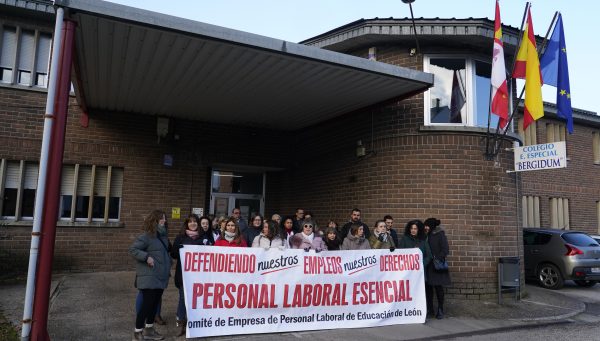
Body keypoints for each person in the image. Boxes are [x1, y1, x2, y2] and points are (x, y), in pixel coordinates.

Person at [129, 210, 171, 341]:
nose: (164, 221)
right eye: (161, 219)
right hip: (149, 277)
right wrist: (146, 257)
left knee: (154, 305)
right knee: (147, 305)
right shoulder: (147, 236)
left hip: (160, 276)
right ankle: (137, 332)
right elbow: (133, 249)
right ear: (154, 220)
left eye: (164, 218)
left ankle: (149, 330)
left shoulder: (164, 237)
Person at [170, 214, 208, 336]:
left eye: (195, 221)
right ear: (186, 224)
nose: (193, 223)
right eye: (190, 222)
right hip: (184, 274)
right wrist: (182, 249)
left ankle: (196, 324)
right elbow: (174, 254)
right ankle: (179, 324)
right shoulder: (180, 237)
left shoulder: (204, 238)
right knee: (182, 298)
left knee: (197, 300)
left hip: (199, 275)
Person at [424, 218, 451, 319]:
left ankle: (440, 309)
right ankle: (430, 309)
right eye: (425, 225)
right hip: (428, 266)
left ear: (431, 225)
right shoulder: (425, 235)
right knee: (428, 289)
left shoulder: (440, 234)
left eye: (427, 225)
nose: (425, 227)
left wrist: (437, 258)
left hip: (436, 265)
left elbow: (445, 250)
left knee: (439, 288)